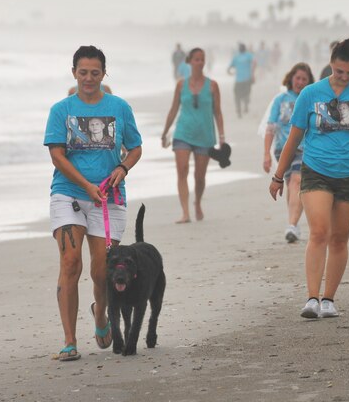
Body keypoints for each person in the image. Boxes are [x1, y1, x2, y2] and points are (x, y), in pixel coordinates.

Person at [268, 39, 349, 320]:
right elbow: (294, 136)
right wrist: (277, 176)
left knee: (339, 238)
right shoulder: (310, 94)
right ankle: (311, 298)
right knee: (319, 231)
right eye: (338, 71)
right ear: (331, 62)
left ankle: (328, 299)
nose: (344, 78)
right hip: (316, 170)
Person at [44, 45, 143, 361]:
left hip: (109, 198)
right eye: (83, 72)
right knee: (71, 263)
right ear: (74, 72)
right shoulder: (62, 110)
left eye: (95, 73)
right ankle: (70, 341)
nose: (89, 78)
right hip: (68, 195)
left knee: (103, 272)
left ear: (104, 73)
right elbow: (57, 154)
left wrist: (122, 167)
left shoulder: (119, 107)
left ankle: (100, 316)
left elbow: (136, 148)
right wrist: (85, 185)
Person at [161, 48, 225, 223]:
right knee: (182, 170)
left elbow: (217, 112)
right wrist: (165, 131)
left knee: (199, 176)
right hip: (182, 132)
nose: (200, 62)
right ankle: (185, 212)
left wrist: (222, 136)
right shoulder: (181, 85)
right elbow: (174, 109)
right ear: (189, 62)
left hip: (205, 135)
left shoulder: (212, 85)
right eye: (197, 59)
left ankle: (197, 202)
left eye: (202, 59)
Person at [263, 63, 315, 243]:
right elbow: (270, 127)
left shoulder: (310, 99)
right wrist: (266, 154)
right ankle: (294, 224)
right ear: (291, 78)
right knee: (291, 183)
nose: (300, 82)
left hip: (304, 148)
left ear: (309, 82)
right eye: (298, 78)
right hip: (282, 149)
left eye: (304, 79)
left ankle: (291, 225)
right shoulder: (281, 99)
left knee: (297, 180)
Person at [228, 43, 256, 118]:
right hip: (247, 79)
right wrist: (253, 74)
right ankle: (245, 106)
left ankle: (239, 110)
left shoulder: (236, 57)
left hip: (239, 80)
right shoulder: (248, 55)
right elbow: (254, 62)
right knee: (246, 94)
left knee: (237, 96)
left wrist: (230, 72)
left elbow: (229, 67)